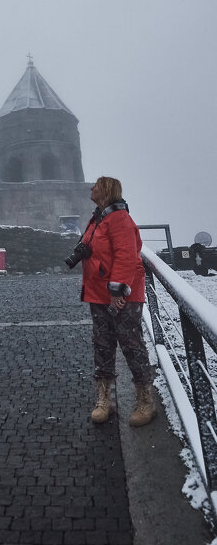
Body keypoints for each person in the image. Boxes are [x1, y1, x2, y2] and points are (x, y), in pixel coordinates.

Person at [79, 176, 156, 427]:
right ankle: (104, 401)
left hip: (122, 295)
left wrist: (118, 292)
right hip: (99, 294)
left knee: (131, 343)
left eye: (96, 186)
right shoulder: (98, 217)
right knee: (102, 344)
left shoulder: (119, 218)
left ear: (107, 191)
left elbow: (126, 257)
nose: (92, 188)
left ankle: (146, 400)